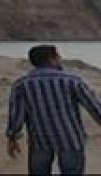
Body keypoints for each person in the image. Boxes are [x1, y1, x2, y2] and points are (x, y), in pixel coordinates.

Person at [6, 44, 101, 175]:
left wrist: (12, 137)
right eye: (58, 56)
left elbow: (16, 115)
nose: (60, 59)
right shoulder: (72, 81)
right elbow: (94, 107)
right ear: (51, 59)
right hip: (70, 139)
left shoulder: (21, 84)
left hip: (39, 140)